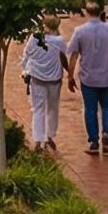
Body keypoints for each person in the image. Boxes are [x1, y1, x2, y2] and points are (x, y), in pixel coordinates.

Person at [65, 1, 108, 157]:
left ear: (86, 12)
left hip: (88, 76)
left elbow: (74, 54)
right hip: (107, 75)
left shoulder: (80, 31)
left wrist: (70, 75)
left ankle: (94, 141)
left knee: (90, 108)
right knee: (107, 106)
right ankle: (107, 133)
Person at [21, 16, 67, 152]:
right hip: (54, 79)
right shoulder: (60, 41)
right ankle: (50, 135)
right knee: (52, 108)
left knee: (38, 109)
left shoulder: (35, 38)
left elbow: (26, 55)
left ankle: (38, 140)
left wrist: (25, 68)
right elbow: (64, 57)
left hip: (37, 77)